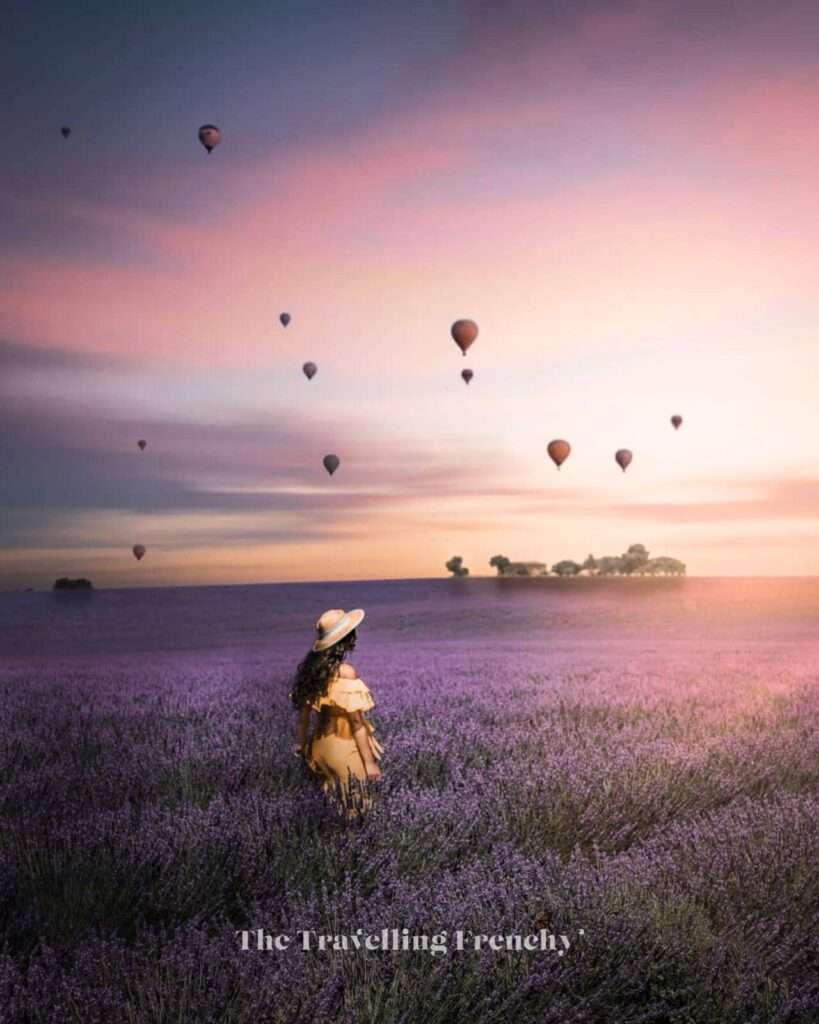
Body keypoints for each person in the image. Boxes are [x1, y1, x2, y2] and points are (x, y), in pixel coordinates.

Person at [290, 608, 383, 817]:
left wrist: (301, 746)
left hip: (319, 748)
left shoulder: (312, 672)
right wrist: (370, 764)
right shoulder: (345, 673)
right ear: (345, 640)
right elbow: (356, 724)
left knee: (332, 809)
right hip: (343, 748)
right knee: (359, 810)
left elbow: (303, 719)